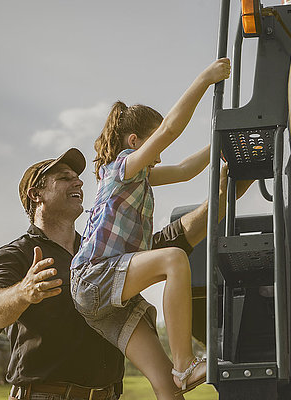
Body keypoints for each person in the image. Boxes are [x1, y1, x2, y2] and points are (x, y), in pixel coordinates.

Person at [0, 146, 251, 400]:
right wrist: (23, 292)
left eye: (77, 177)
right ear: (36, 194)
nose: (78, 182)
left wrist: (224, 197)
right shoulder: (16, 254)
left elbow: (173, 239)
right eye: (64, 178)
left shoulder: (102, 251)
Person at [70, 58, 231, 399]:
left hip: (110, 299)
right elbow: (170, 129)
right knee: (172, 259)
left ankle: (180, 374)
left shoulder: (140, 175)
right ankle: (185, 362)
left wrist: (223, 141)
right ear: (135, 140)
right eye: (153, 146)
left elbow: (187, 169)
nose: (158, 156)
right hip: (95, 277)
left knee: (167, 386)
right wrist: (204, 79)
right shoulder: (121, 169)